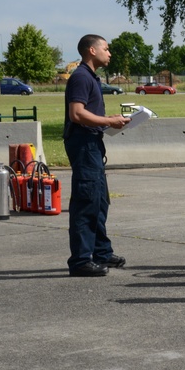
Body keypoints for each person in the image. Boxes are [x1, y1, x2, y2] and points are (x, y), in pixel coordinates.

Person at [63, 34, 132, 277]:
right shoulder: (81, 76)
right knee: (86, 201)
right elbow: (77, 114)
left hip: (92, 144)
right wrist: (109, 121)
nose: (109, 52)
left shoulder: (91, 77)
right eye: (106, 48)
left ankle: (101, 252)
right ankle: (81, 260)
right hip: (83, 145)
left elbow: (88, 114)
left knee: (100, 200)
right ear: (92, 50)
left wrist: (111, 121)